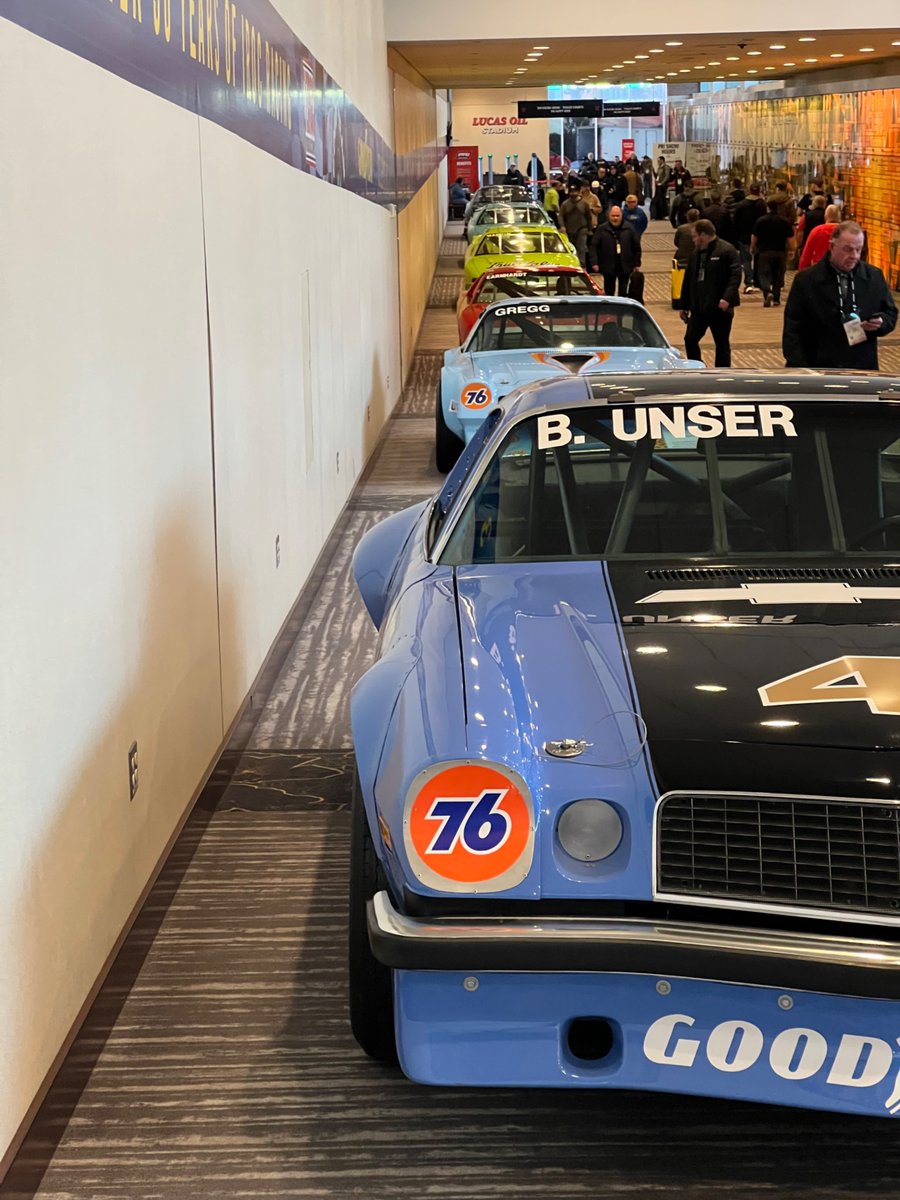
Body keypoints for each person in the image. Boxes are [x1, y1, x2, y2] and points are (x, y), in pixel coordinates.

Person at [782, 221, 897, 370]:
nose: (854, 256)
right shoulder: (806, 280)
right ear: (832, 247)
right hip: (819, 365)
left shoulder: (874, 277)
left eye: (858, 250)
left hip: (862, 364)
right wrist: (800, 367)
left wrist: (881, 322)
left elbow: (890, 313)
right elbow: (793, 327)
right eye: (847, 249)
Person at [679, 219, 742, 366]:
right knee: (690, 339)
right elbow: (688, 279)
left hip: (719, 308)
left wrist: (727, 298)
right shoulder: (696, 253)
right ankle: (697, 367)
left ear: (703, 235)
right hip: (699, 307)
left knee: (721, 343)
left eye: (695, 236)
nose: (693, 240)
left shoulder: (726, 250)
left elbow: (735, 276)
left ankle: (722, 372)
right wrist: (684, 305)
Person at [750, 199, 795, 307]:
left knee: (763, 274)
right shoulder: (784, 221)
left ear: (768, 208)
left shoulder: (761, 220)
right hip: (780, 251)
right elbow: (790, 238)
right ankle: (776, 298)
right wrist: (791, 250)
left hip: (764, 251)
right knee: (778, 275)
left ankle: (767, 292)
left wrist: (753, 247)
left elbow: (754, 236)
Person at [591, 205, 641, 296]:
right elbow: (594, 246)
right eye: (613, 216)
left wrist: (637, 263)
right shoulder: (602, 229)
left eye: (617, 216)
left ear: (621, 216)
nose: (615, 218)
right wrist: (594, 262)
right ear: (609, 216)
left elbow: (636, 247)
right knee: (609, 290)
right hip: (608, 266)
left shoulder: (629, 228)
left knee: (623, 290)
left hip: (625, 266)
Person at [731, 183, 767, 293]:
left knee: (746, 260)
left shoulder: (741, 205)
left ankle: (748, 282)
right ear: (759, 191)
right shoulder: (762, 204)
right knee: (758, 259)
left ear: (749, 190)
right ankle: (758, 281)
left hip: (744, 236)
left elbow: (735, 221)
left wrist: (736, 235)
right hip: (760, 236)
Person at [798, 203, 842, 269]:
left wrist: (802, 271)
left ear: (825, 216)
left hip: (819, 267)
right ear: (839, 217)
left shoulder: (817, 231)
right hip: (840, 267)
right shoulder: (845, 231)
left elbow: (806, 255)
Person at [559, 183, 592, 269]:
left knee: (581, 249)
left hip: (582, 229)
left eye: (575, 191)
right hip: (569, 230)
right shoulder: (565, 204)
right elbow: (561, 216)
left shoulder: (584, 203)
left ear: (578, 192)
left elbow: (589, 216)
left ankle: (582, 267)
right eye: (571, 192)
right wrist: (562, 226)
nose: (573, 194)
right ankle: (572, 267)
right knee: (571, 249)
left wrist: (590, 229)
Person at [669, 159, 692, 226]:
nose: (677, 166)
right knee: (678, 203)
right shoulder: (674, 171)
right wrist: (672, 173)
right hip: (678, 190)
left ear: (681, 164)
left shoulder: (685, 171)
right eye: (676, 164)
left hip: (685, 190)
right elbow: (670, 179)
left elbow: (689, 180)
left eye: (678, 164)